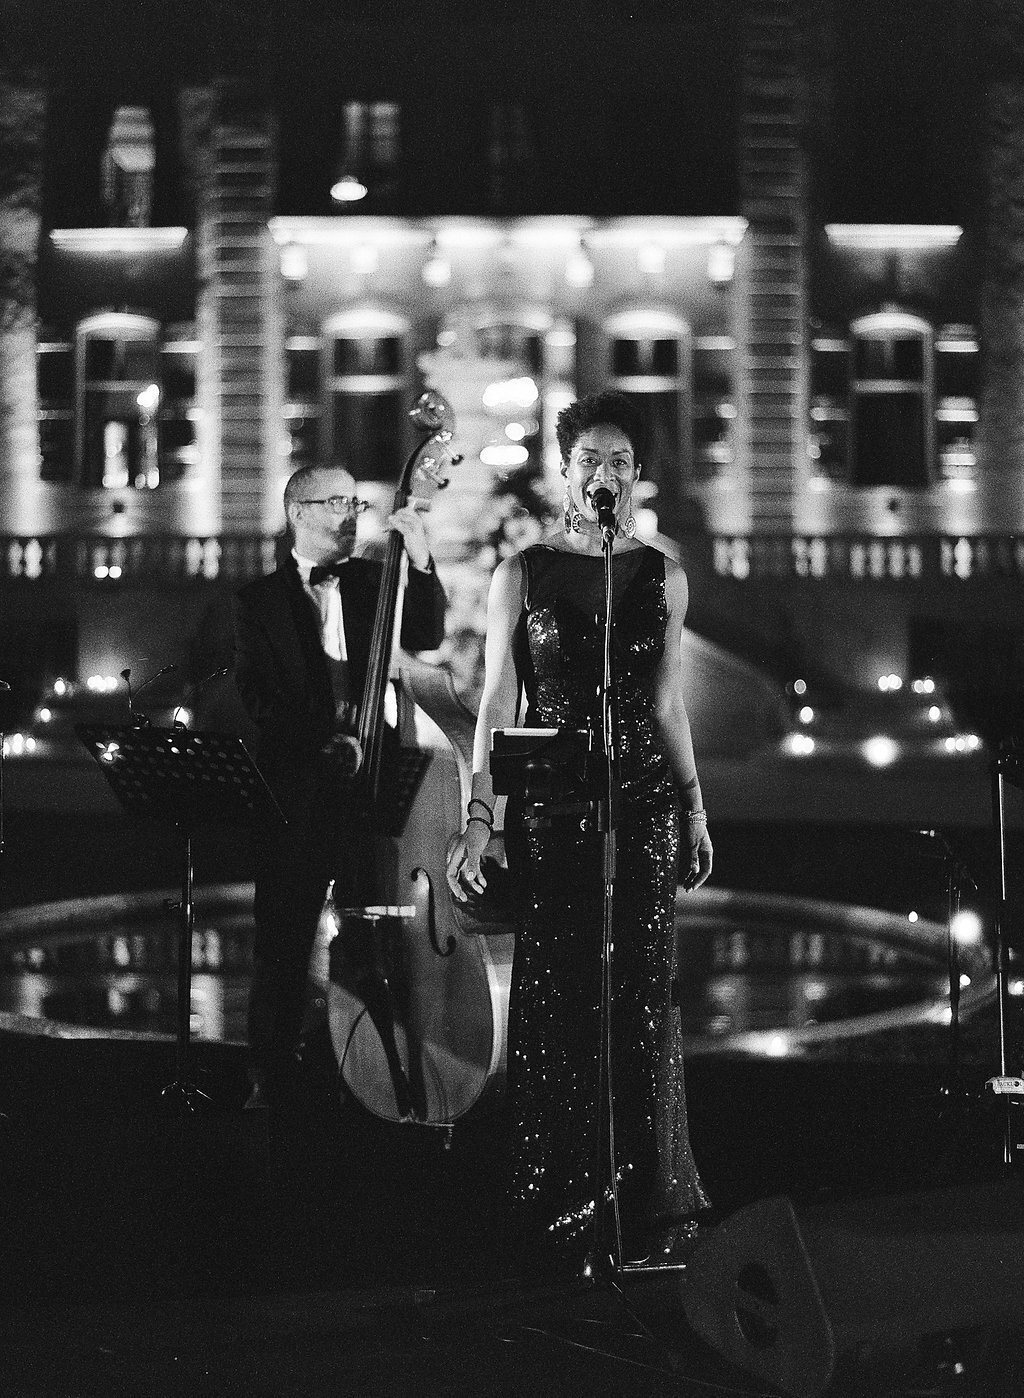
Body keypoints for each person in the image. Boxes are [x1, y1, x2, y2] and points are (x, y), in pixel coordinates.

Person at [446, 390, 713, 1265]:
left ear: (638, 477)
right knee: (557, 992)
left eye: (621, 462)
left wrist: (696, 803)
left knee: (638, 997)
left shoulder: (662, 574)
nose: (604, 474)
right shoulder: (522, 573)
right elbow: (494, 703)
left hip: (644, 804)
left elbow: (668, 699)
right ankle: (560, 1188)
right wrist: (480, 817)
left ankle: (640, 1196)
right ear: (567, 469)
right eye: (590, 459)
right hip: (555, 806)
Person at [233, 463, 447, 1110]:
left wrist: (423, 558)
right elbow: (262, 703)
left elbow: (427, 635)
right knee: (282, 943)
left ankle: (369, 1073)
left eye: (356, 500)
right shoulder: (257, 603)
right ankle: (267, 1080)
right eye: (335, 502)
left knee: (371, 940)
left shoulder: (373, 580)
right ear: (297, 512)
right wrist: (324, 742)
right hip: (297, 797)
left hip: (371, 795)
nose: (351, 513)